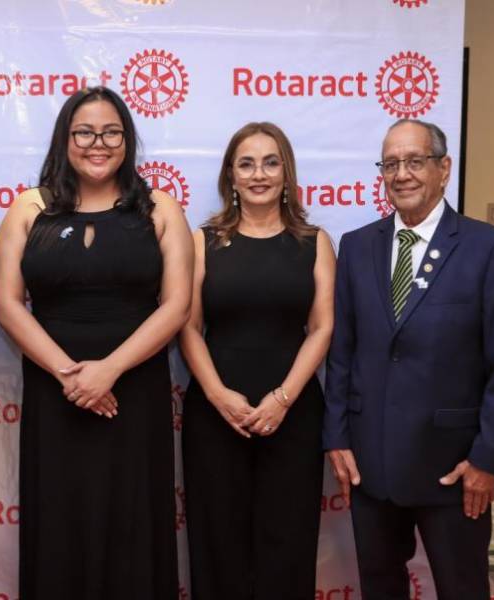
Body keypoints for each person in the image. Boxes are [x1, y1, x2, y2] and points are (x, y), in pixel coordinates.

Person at [0, 86, 192, 600]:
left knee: (133, 520)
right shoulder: (27, 209)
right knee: (59, 519)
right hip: (54, 392)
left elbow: (176, 306)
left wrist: (108, 371)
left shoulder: (161, 208)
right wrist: (70, 374)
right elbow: (8, 302)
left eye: (111, 132)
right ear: (65, 139)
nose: (97, 143)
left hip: (136, 392)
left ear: (127, 140)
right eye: (84, 132)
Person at [324, 119, 494, 599]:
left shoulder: (490, 249)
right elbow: (342, 353)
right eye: (390, 164)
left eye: (414, 161)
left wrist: (488, 460)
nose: (402, 174)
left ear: (443, 168)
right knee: (380, 588)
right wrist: (337, 437)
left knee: (462, 589)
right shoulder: (357, 247)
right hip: (370, 468)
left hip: (455, 471)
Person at [179, 122, 335, 600]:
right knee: (217, 543)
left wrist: (283, 399)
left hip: (292, 415)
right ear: (231, 174)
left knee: (286, 544)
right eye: (246, 163)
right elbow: (186, 325)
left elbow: (322, 328)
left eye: (270, 162)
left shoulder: (314, 241)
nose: (259, 174)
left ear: (286, 172)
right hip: (215, 414)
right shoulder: (202, 240)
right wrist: (217, 395)